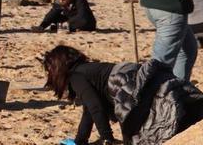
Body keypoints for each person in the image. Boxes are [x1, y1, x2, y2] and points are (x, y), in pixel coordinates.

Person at [43, 45, 203, 145]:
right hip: (131, 76)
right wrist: (80, 140)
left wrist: (107, 138)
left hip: (126, 86)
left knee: (142, 130)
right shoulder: (88, 69)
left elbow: (95, 107)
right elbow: (89, 111)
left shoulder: (76, 76)